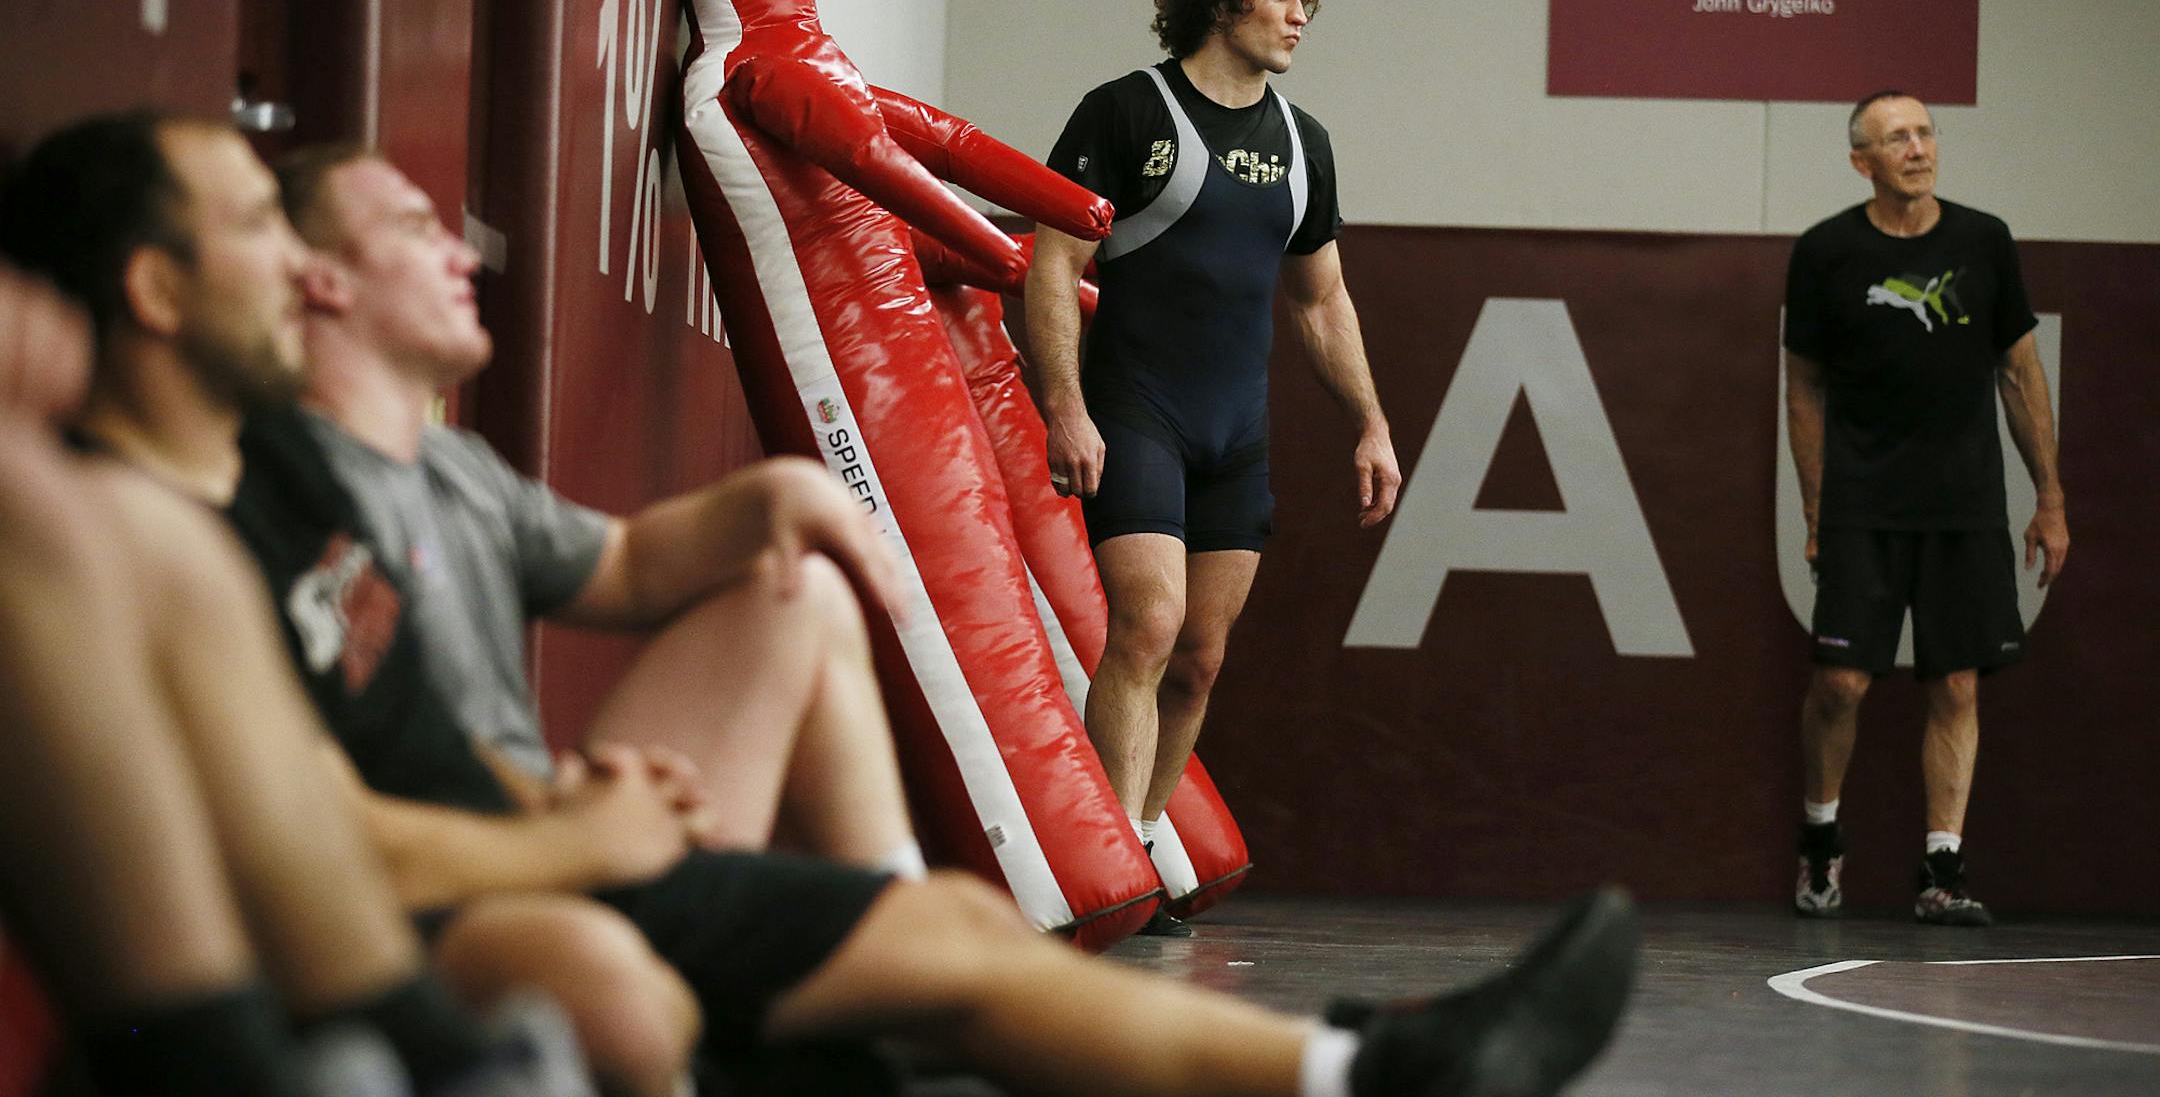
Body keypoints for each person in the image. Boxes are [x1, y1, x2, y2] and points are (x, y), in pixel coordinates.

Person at [11, 107, 1641, 1094]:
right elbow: (308, 856)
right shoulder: (164, 522)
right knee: (679, 983)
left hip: (484, 868)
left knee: (810, 668)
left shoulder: (327, 488)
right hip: (473, 892)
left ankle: (926, 1004)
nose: (450, 251)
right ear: (164, 293)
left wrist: (794, 504)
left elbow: (610, 583)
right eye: (267, 232)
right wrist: (563, 840)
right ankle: (1352, 1064)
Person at [0, 212, 589, 1092]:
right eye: (252, 221)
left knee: (166, 540)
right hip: (458, 876)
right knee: (597, 971)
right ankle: (220, 1064)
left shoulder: (288, 460)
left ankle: (422, 1047)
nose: (299, 268)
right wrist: (590, 843)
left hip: (477, 861)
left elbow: (632, 562)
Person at [268, 143, 926, 880]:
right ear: (320, 278)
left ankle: (891, 901)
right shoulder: (286, 484)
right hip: (474, 870)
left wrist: (774, 494)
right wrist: (570, 827)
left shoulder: (455, 466)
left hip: (556, 827)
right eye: (418, 229)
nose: (462, 257)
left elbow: (627, 563)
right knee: (953, 944)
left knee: (804, 593)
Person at [1026, 0, 1401, 933]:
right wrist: (1064, 402)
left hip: (1236, 433)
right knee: (1146, 626)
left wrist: (1369, 421)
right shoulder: (1126, 112)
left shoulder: (1303, 144)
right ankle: (1103, 874)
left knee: (1199, 658)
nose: (1298, 16)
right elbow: (1052, 259)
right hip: (1135, 410)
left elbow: (1319, 299)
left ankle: (1138, 852)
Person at [1783, 90, 2067, 925]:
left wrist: (2048, 495)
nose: (1917, 148)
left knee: (1957, 682)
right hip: (1862, 506)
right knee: (1839, 682)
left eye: (1924, 133)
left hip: (1966, 506)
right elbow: (1803, 390)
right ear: (1861, 161)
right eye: (1895, 137)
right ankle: (1821, 842)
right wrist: (1815, 510)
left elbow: (2019, 373)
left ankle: (1942, 866)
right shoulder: (1826, 252)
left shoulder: (1985, 242)